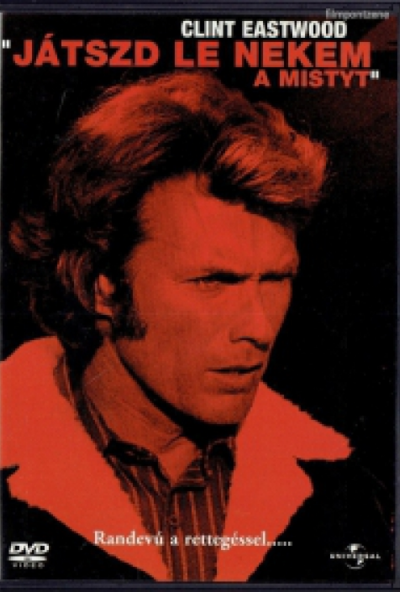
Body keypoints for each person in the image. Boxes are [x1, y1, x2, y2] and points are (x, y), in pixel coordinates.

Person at [1, 71, 392, 582]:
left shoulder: (349, 497)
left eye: (276, 279)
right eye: (213, 281)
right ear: (103, 287)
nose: (259, 328)